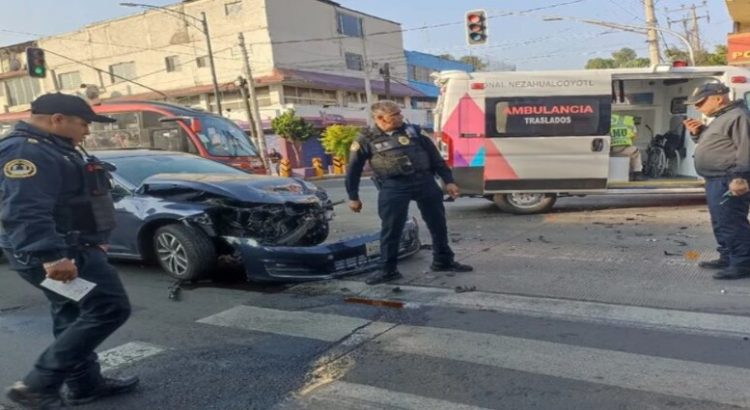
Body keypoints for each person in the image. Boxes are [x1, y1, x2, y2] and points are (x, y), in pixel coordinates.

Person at [1, 93, 138, 408]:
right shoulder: (26, 152)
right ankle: (36, 386)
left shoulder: (53, 148)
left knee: (71, 312)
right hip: (55, 253)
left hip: (70, 246)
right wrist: (51, 255)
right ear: (57, 119)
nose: (87, 132)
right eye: (83, 123)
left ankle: (83, 385)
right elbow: (25, 210)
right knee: (109, 308)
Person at [346, 101, 473, 285]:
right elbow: (353, 169)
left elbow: (435, 158)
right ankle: (388, 270)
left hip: (424, 182)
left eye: (399, 113)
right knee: (391, 229)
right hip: (394, 186)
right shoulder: (366, 138)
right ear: (380, 118)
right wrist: (353, 197)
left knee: (438, 224)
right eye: (395, 114)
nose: (400, 117)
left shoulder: (414, 131)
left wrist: (449, 181)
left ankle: (443, 261)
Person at [683, 83, 750, 279]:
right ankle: (728, 256)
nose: (697, 107)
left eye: (701, 102)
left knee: (731, 221)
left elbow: (746, 149)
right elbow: (720, 144)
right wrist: (699, 133)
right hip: (715, 179)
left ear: (718, 98)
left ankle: (743, 263)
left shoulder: (738, 116)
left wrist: (740, 178)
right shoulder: (723, 117)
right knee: (720, 221)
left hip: (728, 178)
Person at [610, 113, 646, 181]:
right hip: (624, 149)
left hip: (609, 150)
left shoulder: (609, 122)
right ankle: (637, 174)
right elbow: (634, 136)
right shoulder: (629, 122)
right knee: (636, 153)